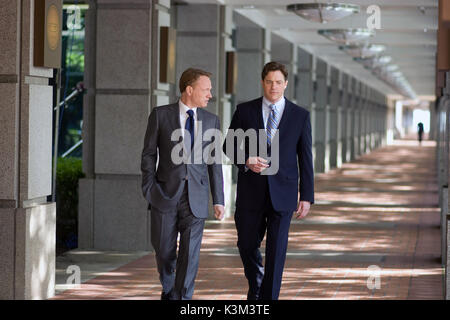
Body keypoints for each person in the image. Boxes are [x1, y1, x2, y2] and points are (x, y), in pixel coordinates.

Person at [223, 61, 314, 300]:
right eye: (269, 81)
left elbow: (305, 158)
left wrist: (306, 196)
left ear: (285, 84)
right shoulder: (245, 111)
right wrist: (246, 160)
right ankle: (257, 284)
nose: (273, 87)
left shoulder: (300, 116)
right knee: (246, 245)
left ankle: (267, 299)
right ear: (262, 82)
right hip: (250, 192)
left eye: (278, 82)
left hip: (283, 194)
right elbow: (227, 146)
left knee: (276, 252)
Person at [141, 68, 225, 300]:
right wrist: (149, 188)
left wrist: (218, 199)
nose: (210, 94)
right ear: (190, 89)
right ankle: (169, 290)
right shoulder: (160, 115)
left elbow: (214, 162)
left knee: (190, 256)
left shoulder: (211, 120)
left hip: (196, 198)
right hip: (164, 195)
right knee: (164, 252)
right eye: (206, 89)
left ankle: (182, 298)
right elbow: (148, 154)